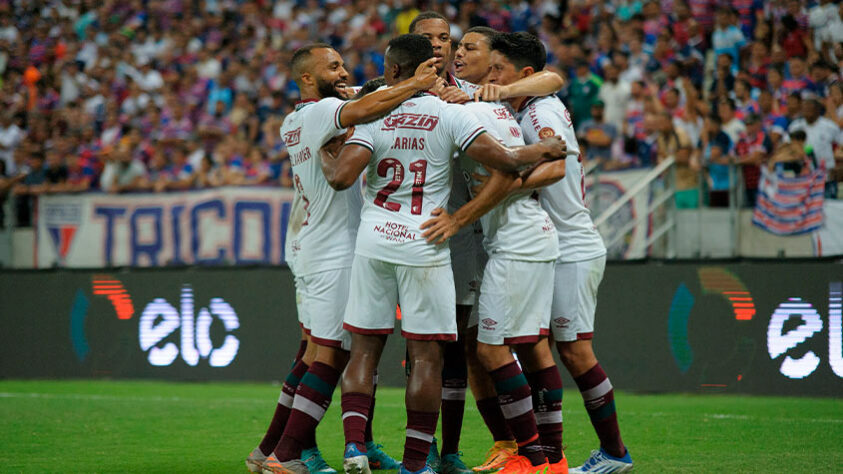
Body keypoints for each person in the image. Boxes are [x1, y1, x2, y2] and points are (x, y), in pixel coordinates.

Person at [320, 33, 566, 474]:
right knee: (428, 357)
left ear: (393, 69)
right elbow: (505, 161)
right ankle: (417, 463)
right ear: (429, 67)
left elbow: (341, 178)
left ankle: (354, 448)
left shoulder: (376, 111)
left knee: (363, 351)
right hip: (427, 242)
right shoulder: (451, 112)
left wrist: (326, 156)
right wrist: (540, 150)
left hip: (374, 243)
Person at [251, 42, 439, 474]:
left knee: (313, 351)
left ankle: (268, 449)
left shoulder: (294, 120)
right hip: (333, 251)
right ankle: (287, 454)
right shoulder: (319, 113)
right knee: (332, 354)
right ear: (305, 78)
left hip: (312, 245)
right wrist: (415, 84)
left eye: (343, 64)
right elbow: (358, 109)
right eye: (332, 66)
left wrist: (376, 86)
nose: (342, 72)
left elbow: (361, 94)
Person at [409, 13, 565, 473]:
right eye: (431, 40)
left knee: (484, 348)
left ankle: (530, 454)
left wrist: (460, 216)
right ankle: (539, 454)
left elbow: (550, 81)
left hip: (489, 239)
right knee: (483, 348)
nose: (446, 48)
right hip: (499, 239)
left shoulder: (475, 102)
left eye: (453, 41)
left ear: (497, 67)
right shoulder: (459, 98)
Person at [489, 32, 634, 474]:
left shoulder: (541, 111)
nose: (493, 77)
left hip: (571, 244)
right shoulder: (529, 105)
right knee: (538, 348)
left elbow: (553, 165)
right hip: (553, 242)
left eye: (499, 69)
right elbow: (552, 78)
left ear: (524, 74)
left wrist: (505, 188)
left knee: (574, 352)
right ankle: (550, 456)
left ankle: (614, 452)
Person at [788, 98, 842, 198]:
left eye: (810, 109)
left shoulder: (829, 126)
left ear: (817, 110)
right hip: (803, 178)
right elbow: (787, 147)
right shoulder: (795, 126)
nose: (807, 112)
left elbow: (841, 144)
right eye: (804, 109)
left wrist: (839, 165)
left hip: (826, 177)